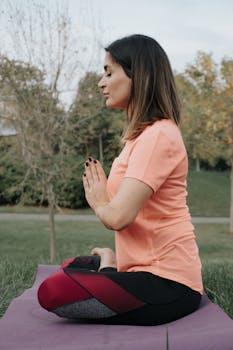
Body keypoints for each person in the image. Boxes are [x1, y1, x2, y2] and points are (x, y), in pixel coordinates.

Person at [38, 34, 203, 326]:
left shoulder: (159, 136)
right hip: (140, 273)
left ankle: (109, 267)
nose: (101, 83)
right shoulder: (140, 138)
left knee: (54, 291)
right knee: (72, 266)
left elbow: (118, 217)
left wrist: (99, 202)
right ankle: (111, 265)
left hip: (170, 284)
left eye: (109, 72)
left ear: (138, 76)